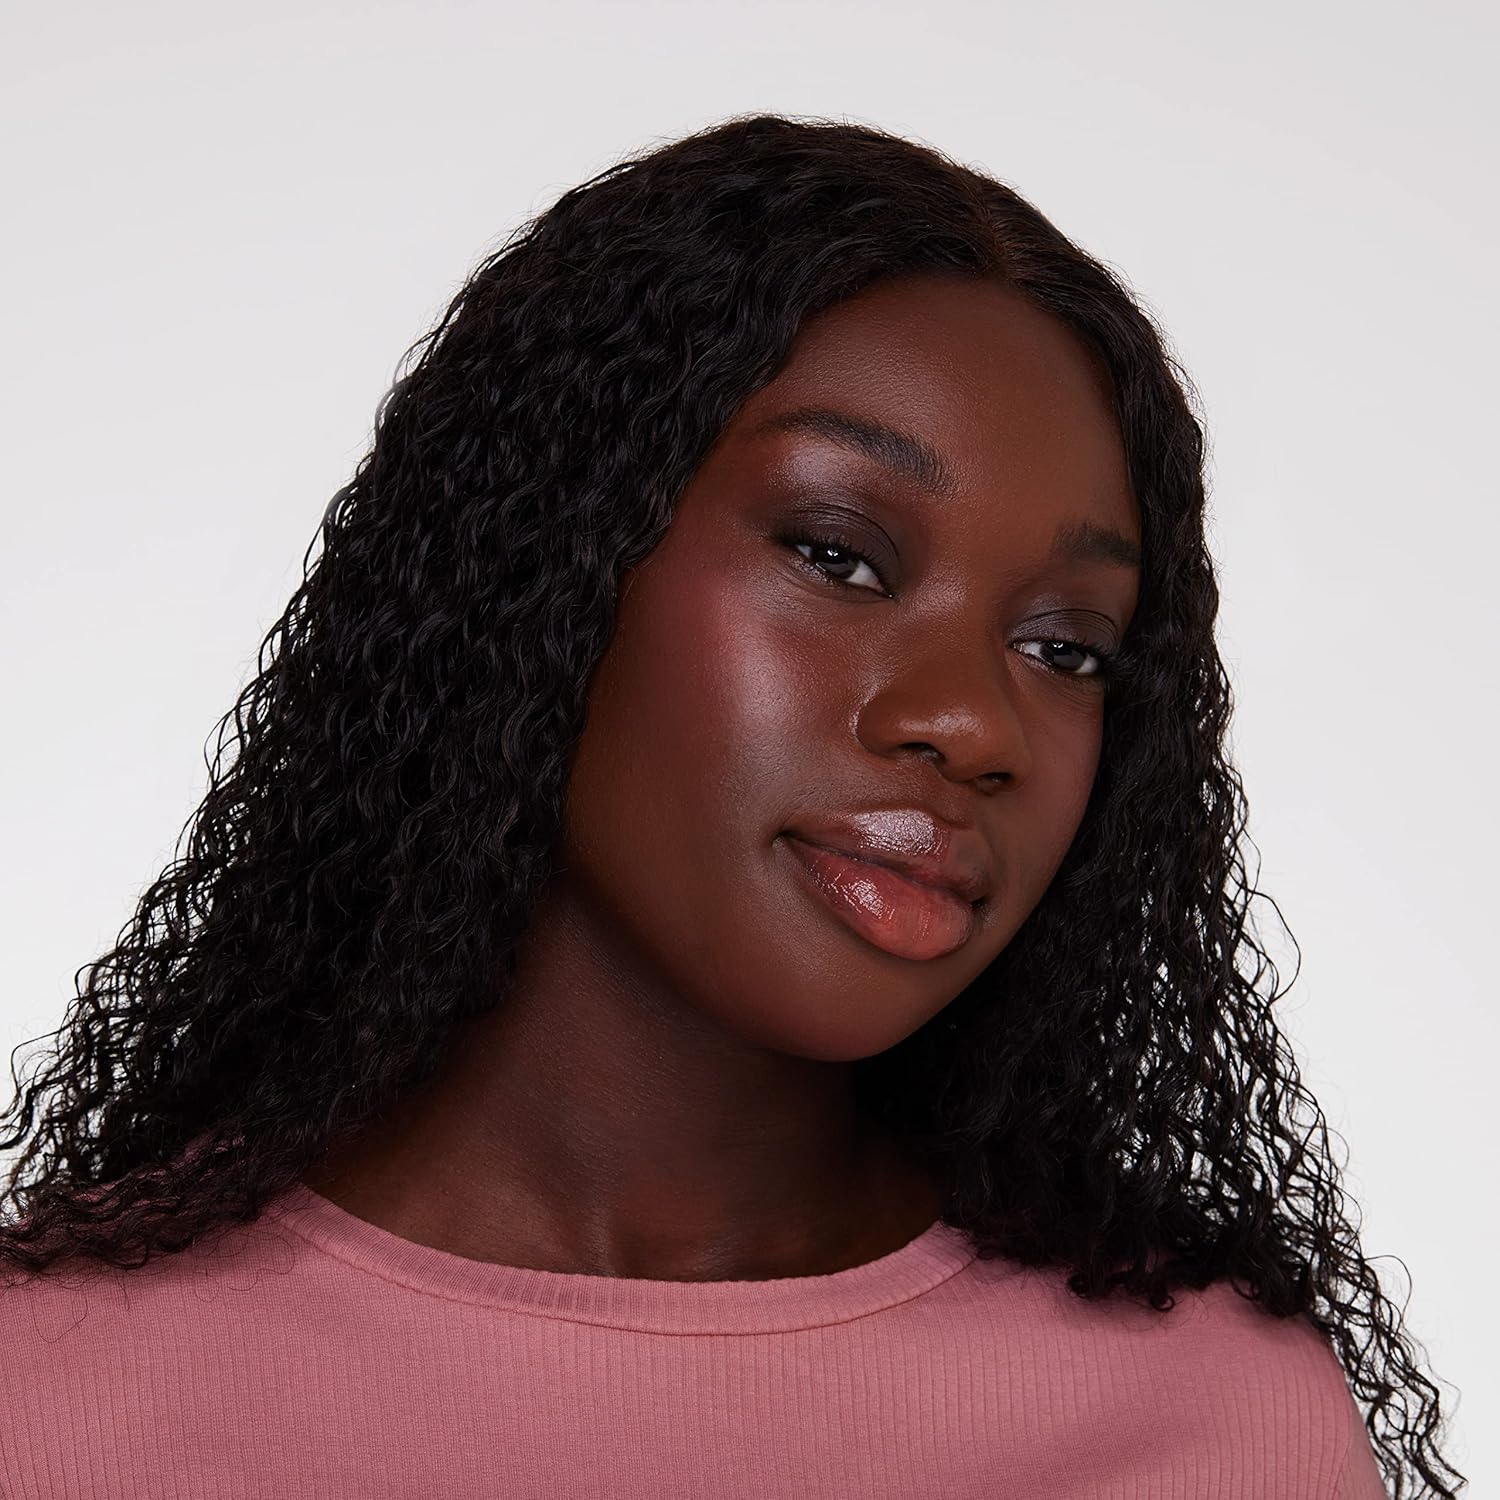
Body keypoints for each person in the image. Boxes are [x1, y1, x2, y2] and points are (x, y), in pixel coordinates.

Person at [0, 113, 1462, 1498]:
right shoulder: (55, 1398)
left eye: (1065, 648)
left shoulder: (1210, 1421)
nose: (972, 723)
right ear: (549, 563)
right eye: (838, 556)